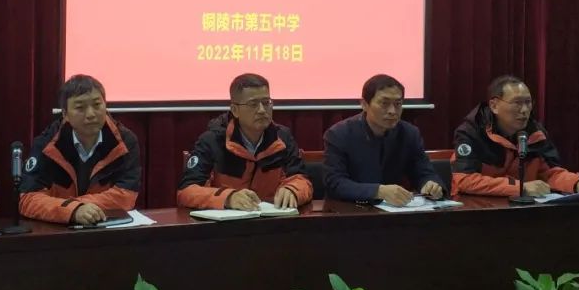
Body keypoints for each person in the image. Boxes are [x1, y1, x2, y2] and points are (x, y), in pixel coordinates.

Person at [19, 74, 141, 225]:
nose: (90, 114)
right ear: (65, 114)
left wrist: (78, 207)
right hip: (60, 230)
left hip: (107, 227)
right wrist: (73, 210)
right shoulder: (46, 144)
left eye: (97, 105)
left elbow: (126, 195)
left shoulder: (124, 141)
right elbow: (28, 199)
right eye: (80, 108)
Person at [178, 73, 311, 210]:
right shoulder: (212, 141)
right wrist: (228, 198)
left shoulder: (282, 137)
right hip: (227, 221)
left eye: (266, 103)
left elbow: (302, 180)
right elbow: (187, 191)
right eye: (253, 104)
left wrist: (293, 190)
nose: (262, 110)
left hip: (271, 220)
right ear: (235, 110)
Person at [452, 74, 579, 198]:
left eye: (528, 102)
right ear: (494, 106)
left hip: (522, 211)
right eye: (517, 103)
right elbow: (464, 180)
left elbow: (549, 173)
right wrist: (520, 188)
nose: (525, 110)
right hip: (477, 209)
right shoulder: (471, 132)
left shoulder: (536, 133)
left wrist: (576, 183)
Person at [323, 74, 444, 206]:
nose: (392, 111)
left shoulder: (409, 133)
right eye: (384, 103)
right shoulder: (339, 134)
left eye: (398, 104)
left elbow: (424, 173)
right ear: (364, 104)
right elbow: (335, 183)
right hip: (349, 210)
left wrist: (431, 185)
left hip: (395, 211)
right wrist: (378, 191)